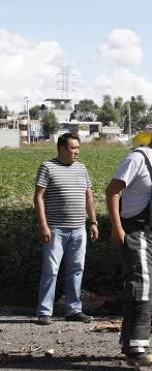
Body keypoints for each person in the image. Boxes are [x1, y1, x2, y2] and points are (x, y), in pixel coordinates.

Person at [105, 117, 152, 367]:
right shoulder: (137, 158)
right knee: (142, 286)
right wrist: (117, 228)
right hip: (138, 233)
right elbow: (112, 190)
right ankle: (136, 352)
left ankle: (139, 340)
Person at [34, 133, 99, 325]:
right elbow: (38, 197)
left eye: (78, 148)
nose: (77, 151)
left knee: (76, 269)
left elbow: (89, 197)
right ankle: (44, 312)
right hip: (56, 229)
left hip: (79, 228)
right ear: (62, 148)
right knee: (51, 270)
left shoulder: (82, 169)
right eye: (73, 148)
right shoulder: (47, 167)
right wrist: (44, 226)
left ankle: (73, 310)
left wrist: (93, 221)